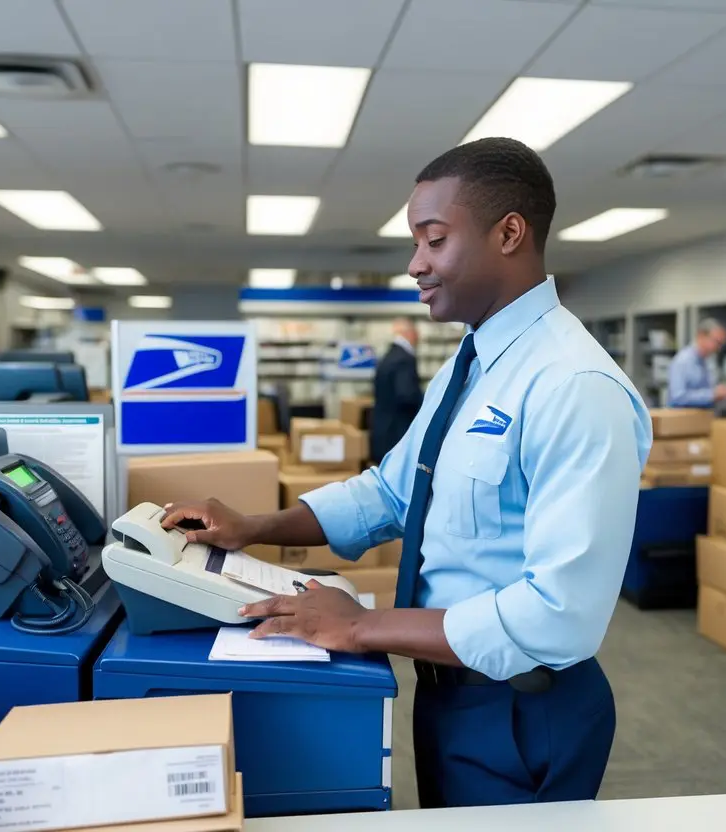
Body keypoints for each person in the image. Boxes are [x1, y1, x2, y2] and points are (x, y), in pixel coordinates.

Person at [163, 137, 652, 808]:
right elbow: (392, 490)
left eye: (433, 240)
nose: (415, 264)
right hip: (448, 690)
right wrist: (255, 526)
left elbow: (558, 616)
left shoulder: (574, 385)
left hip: (518, 710)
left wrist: (361, 625)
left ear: (509, 233)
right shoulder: (473, 361)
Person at [370, 317, 423, 464]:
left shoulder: (388, 356)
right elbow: (407, 395)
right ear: (411, 334)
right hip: (397, 432)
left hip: (383, 431)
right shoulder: (404, 358)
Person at [668, 318, 726, 408]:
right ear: (701, 336)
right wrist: (712, 394)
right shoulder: (683, 361)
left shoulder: (709, 362)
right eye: (717, 342)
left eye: (721, 344)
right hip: (682, 419)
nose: (719, 348)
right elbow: (677, 397)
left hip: (701, 417)